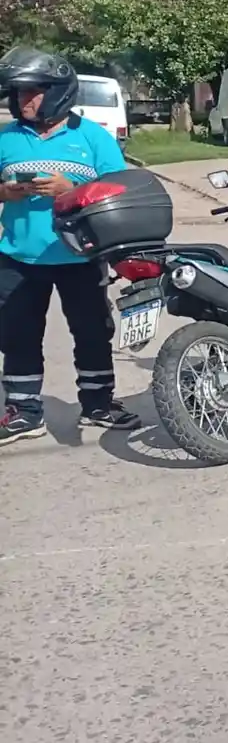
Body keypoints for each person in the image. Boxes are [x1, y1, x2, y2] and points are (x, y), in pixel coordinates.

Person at [0, 47, 140, 446]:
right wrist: (6, 193)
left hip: (81, 254)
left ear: (59, 92)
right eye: (19, 92)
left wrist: (73, 189)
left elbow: (120, 192)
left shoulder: (92, 137)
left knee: (92, 330)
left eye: (33, 92)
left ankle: (98, 404)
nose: (24, 100)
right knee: (18, 334)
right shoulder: (6, 139)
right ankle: (25, 411)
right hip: (18, 256)